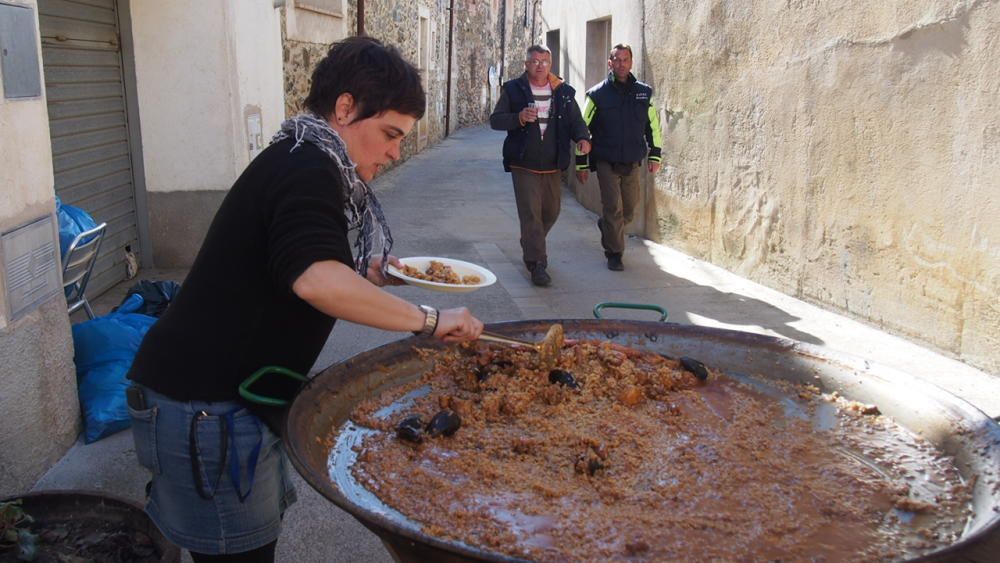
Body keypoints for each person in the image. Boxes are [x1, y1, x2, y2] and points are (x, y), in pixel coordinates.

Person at [124, 37, 484, 563]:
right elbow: (315, 280)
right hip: (205, 407)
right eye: (389, 134)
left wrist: (367, 274)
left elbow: (291, 264)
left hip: (237, 400)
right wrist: (430, 320)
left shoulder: (302, 156)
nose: (393, 152)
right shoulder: (307, 168)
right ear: (344, 108)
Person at [490, 45, 591, 287]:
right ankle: (537, 264)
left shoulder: (563, 92)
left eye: (544, 61)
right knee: (532, 215)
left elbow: (576, 121)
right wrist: (519, 118)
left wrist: (583, 139)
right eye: (535, 61)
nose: (540, 65)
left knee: (551, 212)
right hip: (523, 163)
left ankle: (530, 242)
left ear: (550, 64)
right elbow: (495, 120)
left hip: (553, 165)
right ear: (526, 64)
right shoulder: (513, 89)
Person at [575, 43, 662, 271]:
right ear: (609, 63)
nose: (621, 64)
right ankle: (614, 252)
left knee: (630, 209)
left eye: (626, 59)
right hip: (606, 161)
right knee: (613, 207)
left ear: (631, 63)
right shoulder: (596, 95)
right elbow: (582, 131)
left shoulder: (644, 93)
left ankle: (608, 226)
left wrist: (655, 155)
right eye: (617, 59)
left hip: (632, 161)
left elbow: (652, 125)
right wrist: (581, 163)